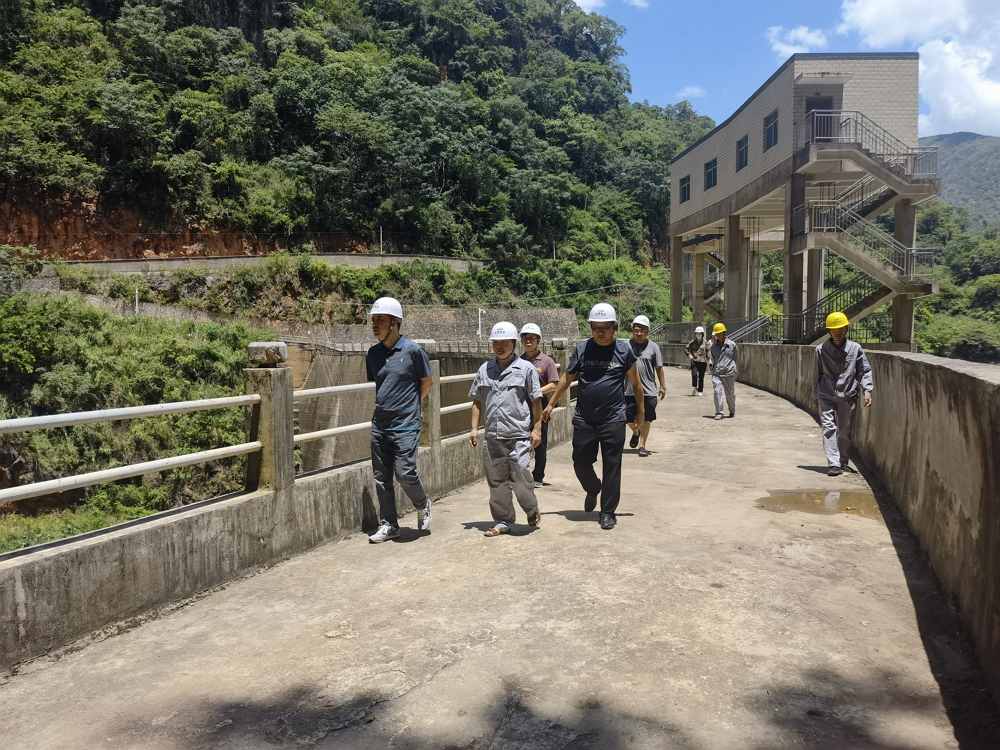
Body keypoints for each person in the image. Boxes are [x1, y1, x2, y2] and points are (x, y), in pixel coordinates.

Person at [542, 303, 644, 530]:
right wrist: (550, 404)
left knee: (612, 466)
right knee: (580, 461)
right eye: (595, 327)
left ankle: (607, 512)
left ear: (614, 327)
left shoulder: (624, 350)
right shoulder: (582, 349)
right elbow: (566, 378)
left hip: (614, 418)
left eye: (605, 327)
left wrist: (640, 411)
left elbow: (636, 384)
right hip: (585, 418)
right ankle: (593, 488)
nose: (600, 332)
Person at [365, 297, 435, 543]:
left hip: (406, 425)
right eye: (373, 320)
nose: (375, 325)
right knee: (381, 477)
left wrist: (411, 406)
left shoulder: (414, 351)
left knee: (404, 472)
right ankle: (389, 525)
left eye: (380, 320)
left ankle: (422, 503)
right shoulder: (372, 354)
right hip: (380, 425)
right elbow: (380, 384)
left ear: (395, 322)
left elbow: (427, 382)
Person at [469, 322, 543, 537]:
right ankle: (503, 521)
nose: (499, 346)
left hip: (518, 436)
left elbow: (536, 401)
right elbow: (477, 401)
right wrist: (473, 429)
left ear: (514, 343)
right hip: (492, 437)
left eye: (504, 342)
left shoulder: (526, 369)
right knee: (496, 482)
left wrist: (537, 429)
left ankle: (531, 508)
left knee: (520, 478)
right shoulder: (485, 369)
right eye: (495, 343)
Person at [812, 311, 874, 477]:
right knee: (829, 428)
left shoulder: (855, 349)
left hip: (848, 395)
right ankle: (833, 464)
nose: (837, 332)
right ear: (829, 331)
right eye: (834, 329)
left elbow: (864, 370)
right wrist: (815, 395)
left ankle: (843, 462)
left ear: (846, 329)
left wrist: (867, 391)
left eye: (840, 328)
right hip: (826, 394)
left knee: (845, 431)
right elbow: (815, 374)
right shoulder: (820, 350)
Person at [519, 323, 559, 487]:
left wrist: (535, 392)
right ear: (521, 341)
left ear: (538, 340)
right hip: (521, 404)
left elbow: (554, 384)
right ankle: (521, 473)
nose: (528, 341)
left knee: (540, 441)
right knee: (520, 439)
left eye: (532, 338)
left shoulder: (546, 361)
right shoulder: (518, 361)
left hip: (540, 404)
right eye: (525, 339)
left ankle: (538, 476)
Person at [625, 315, 665, 457]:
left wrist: (662, 386)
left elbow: (659, 368)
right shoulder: (626, 346)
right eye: (636, 330)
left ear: (647, 331)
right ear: (633, 330)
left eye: (642, 330)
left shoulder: (653, 347)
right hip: (629, 390)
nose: (639, 333)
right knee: (627, 418)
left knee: (646, 418)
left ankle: (642, 445)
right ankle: (636, 431)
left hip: (648, 390)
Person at [709, 322, 737, 420]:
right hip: (717, 372)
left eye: (720, 333)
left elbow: (735, 358)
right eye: (717, 334)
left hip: (729, 372)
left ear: (724, 333)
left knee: (730, 394)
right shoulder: (713, 346)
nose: (718, 335)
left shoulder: (732, 345)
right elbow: (713, 358)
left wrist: (732, 368)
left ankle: (732, 410)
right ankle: (719, 412)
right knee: (717, 391)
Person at [686, 326, 710, 396]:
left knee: (701, 377)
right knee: (694, 374)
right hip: (695, 360)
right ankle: (694, 387)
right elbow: (686, 348)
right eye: (697, 333)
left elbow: (708, 351)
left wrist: (709, 359)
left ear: (702, 334)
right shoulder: (692, 342)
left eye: (700, 333)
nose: (698, 335)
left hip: (703, 361)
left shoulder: (706, 342)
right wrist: (689, 355)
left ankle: (700, 390)